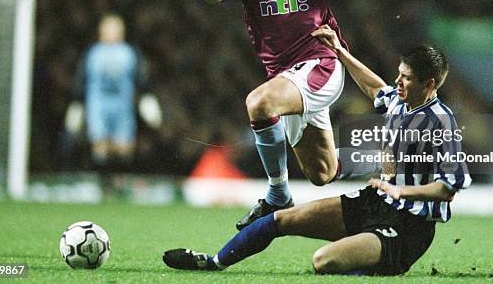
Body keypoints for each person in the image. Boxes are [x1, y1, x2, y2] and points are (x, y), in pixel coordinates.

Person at [163, 29, 471, 276]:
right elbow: (374, 87)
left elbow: (448, 188)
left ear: (429, 84)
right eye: (399, 73)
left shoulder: (440, 123)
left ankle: (380, 264)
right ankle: (213, 262)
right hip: (374, 203)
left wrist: (399, 190)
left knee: (324, 261)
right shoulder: (400, 102)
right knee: (283, 219)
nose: (397, 81)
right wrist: (339, 51)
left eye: (405, 77)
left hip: (409, 227)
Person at [190, 0, 384, 230]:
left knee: (259, 104)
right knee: (323, 173)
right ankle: (382, 160)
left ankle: (276, 195)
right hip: (285, 77)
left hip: (320, 63)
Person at [64, 14, 162, 169]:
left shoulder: (129, 52)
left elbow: (140, 77)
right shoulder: (92, 53)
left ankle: (120, 180)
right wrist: (76, 103)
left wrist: (147, 98)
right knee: (100, 143)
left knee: (123, 146)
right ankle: (101, 180)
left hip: (122, 105)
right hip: (98, 105)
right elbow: (81, 79)